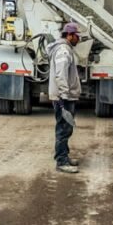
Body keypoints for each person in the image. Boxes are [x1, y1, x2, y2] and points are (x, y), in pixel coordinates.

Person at [48, 22, 82, 174]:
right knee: (63, 129)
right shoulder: (63, 50)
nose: (78, 39)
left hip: (64, 96)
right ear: (69, 35)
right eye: (76, 36)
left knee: (65, 128)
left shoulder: (64, 48)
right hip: (64, 97)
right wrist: (64, 95)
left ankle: (64, 156)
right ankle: (61, 161)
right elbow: (60, 74)